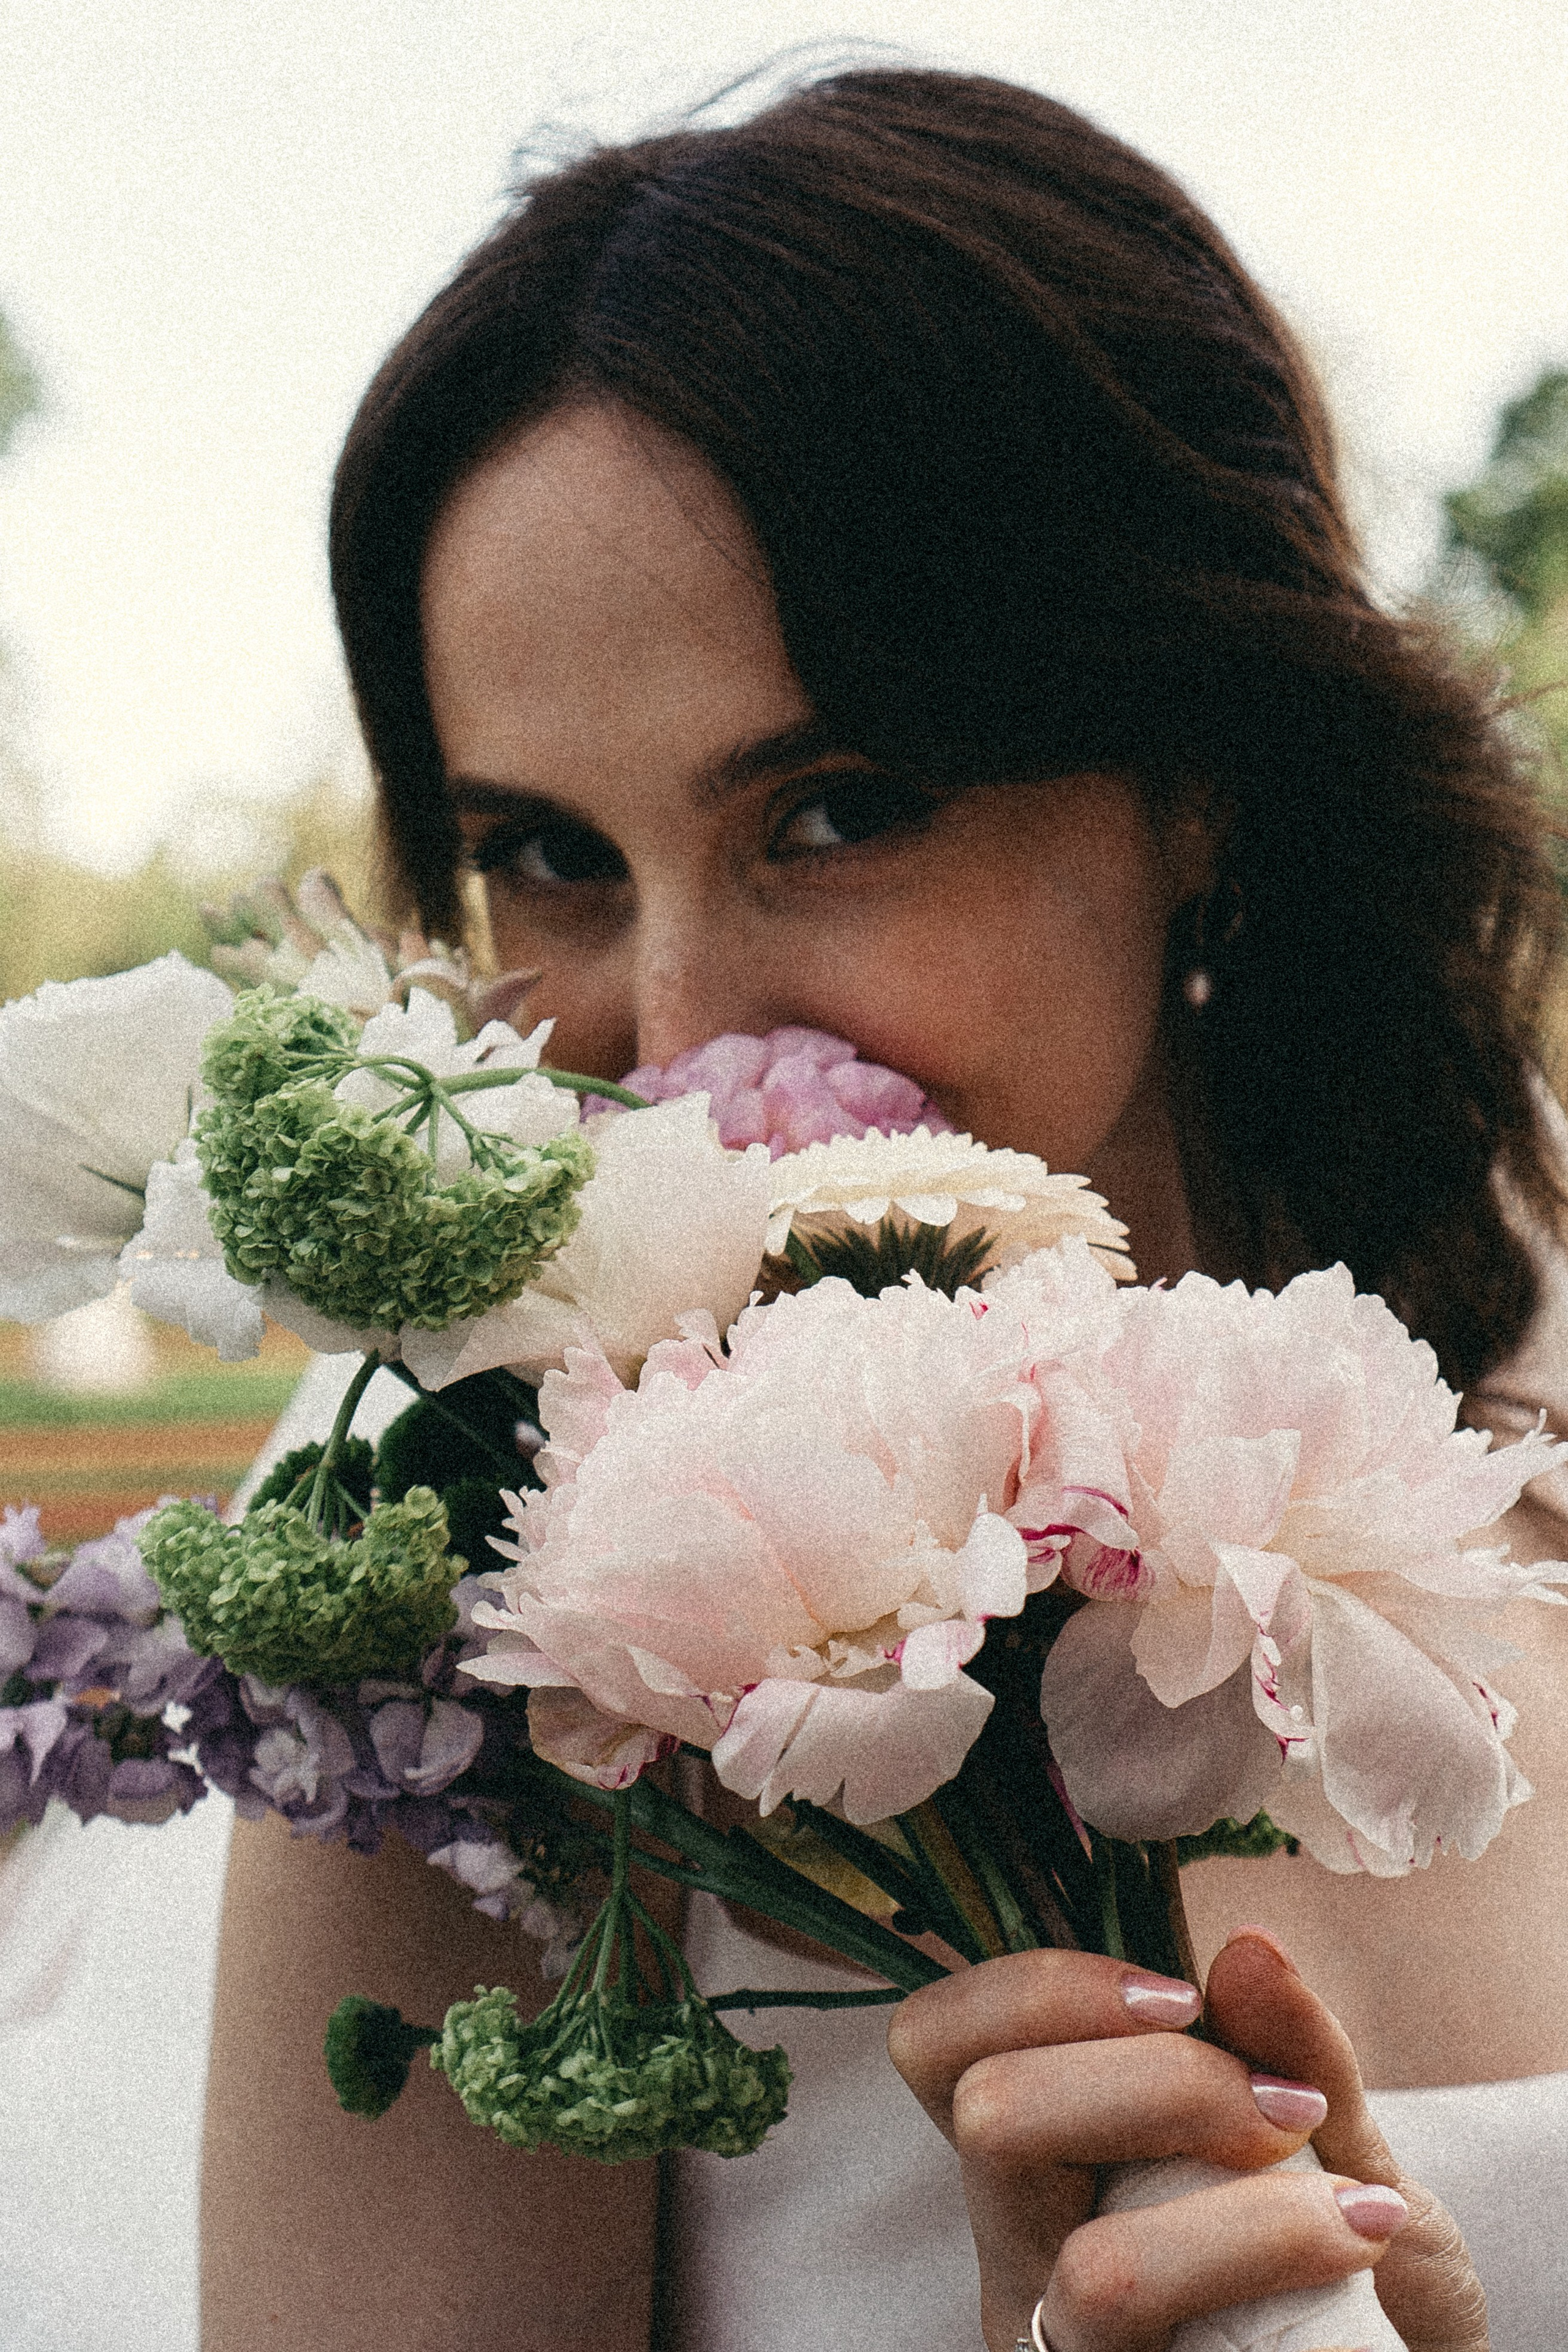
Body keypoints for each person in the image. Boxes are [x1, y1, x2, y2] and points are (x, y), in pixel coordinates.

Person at [203, 67, 1568, 2351]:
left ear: (1198, 768)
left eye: (835, 811)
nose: (671, 1019)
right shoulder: (475, 1655)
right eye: (550, 852)